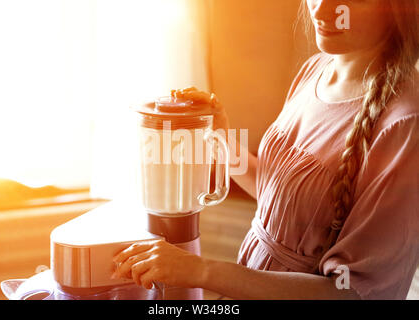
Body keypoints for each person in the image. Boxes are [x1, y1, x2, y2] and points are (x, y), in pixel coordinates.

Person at [111, 0, 419, 299]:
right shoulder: (316, 70)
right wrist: (220, 137)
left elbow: (349, 292)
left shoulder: (404, 126)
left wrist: (198, 271)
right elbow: (282, 199)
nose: (323, 9)